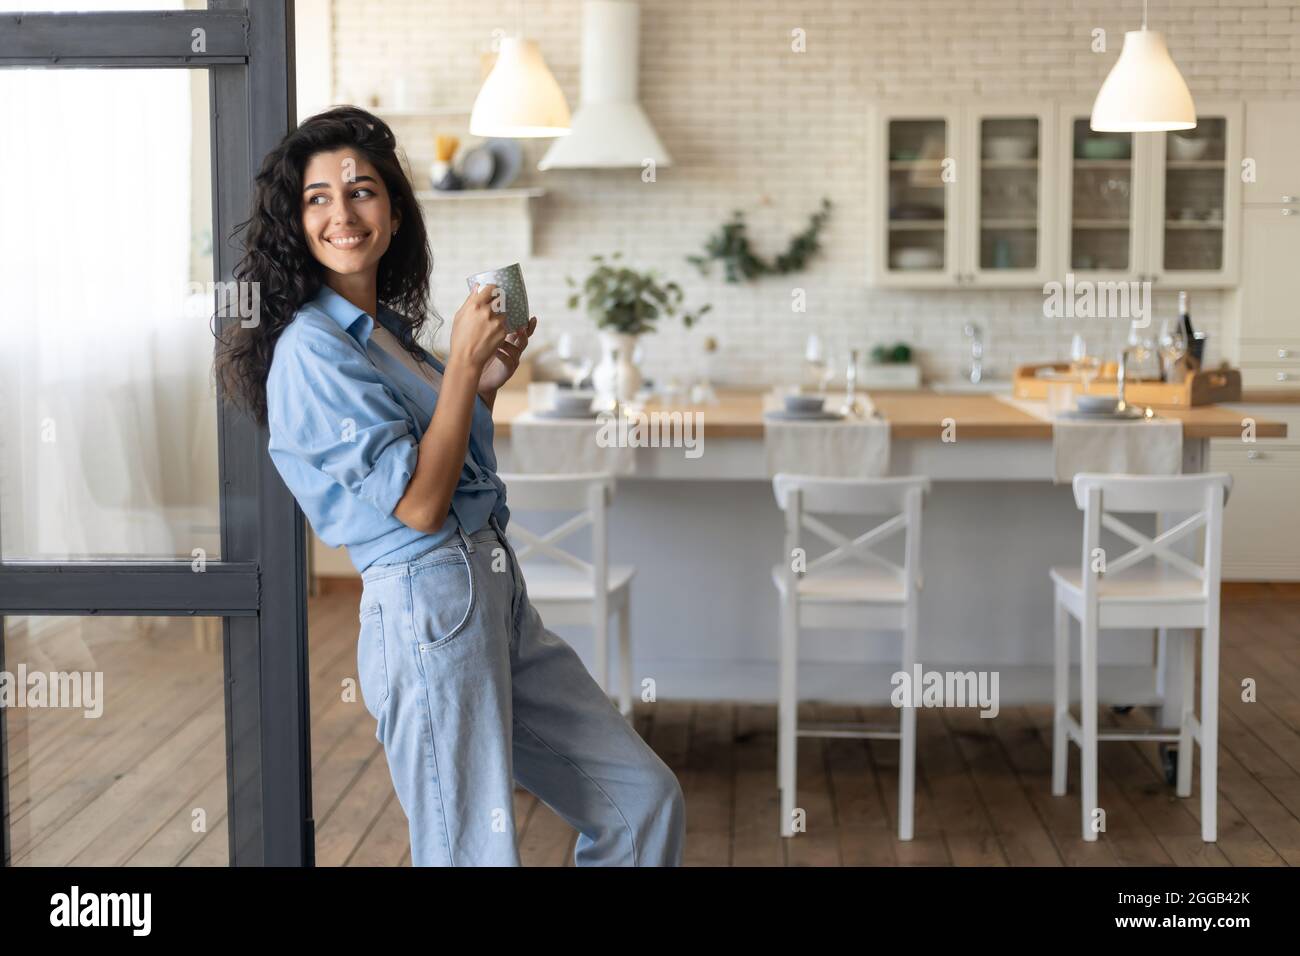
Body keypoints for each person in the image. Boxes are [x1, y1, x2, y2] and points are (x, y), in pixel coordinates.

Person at [215, 105, 684, 866]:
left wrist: (485, 383)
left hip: (494, 589)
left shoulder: (388, 334)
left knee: (642, 800)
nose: (343, 212)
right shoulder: (310, 349)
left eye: (362, 191)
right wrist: (462, 364)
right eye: (318, 198)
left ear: (394, 214)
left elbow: (444, 458)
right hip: (426, 603)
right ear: (295, 223)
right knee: (472, 852)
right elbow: (421, 506)